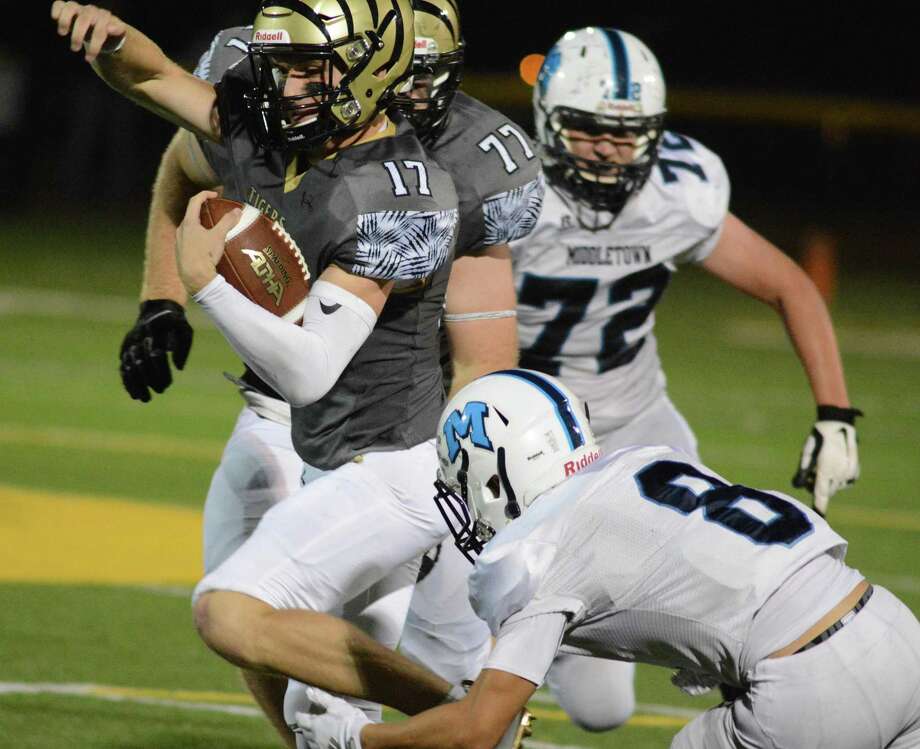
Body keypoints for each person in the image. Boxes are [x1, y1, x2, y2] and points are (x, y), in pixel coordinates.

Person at [94, 0, 540, 741]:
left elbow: (482, 361)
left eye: (423, 77)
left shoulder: (428, 185)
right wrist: (160, 297)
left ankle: (469, 721)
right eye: (289, 68)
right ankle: (462, 724)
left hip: (389, 443)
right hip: (301, 427)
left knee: (254, 624)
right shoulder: (277, 124)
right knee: (291, 682)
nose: (411, 95)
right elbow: (163, 101)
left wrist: (461, 498)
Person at [506, 27, 863, 729]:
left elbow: (790, 284)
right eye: (587, 129)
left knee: (608, 706)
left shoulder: (677, 193)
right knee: (475, 629)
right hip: (520, 435)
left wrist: (836, 415)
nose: (609, 148)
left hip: (636, 422)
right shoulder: (506, 194)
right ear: (548, 120)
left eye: (627, 132)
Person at [292, 368, 920, 749]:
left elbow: (479, 732)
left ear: (495, 471)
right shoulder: (646, 458)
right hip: (895, 634)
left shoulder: (535, 547)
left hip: (807, 686)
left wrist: (359, 738)